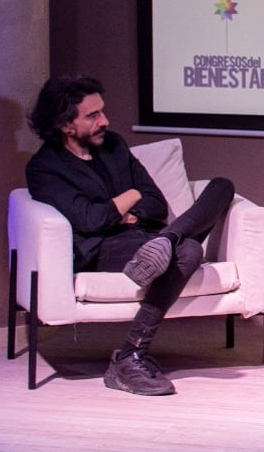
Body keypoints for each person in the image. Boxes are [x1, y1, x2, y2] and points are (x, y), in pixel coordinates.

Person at [25, 74, 234, 396]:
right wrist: (130, 194)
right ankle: (129, 356)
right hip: (100, 248)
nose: (105, 121)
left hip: (146, 236)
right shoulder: (45, 168)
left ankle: (168, 240)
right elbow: (92, 221)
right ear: (66, 125)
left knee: (222, 186)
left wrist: (134, 213)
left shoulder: (114, 145)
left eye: (102, 111)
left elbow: (157, 204)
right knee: (189, 250)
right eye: (92, 115)